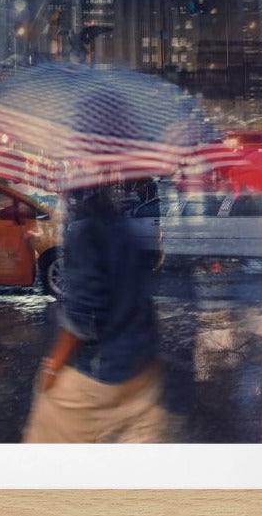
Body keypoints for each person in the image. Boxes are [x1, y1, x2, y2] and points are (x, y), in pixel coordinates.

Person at [23, 185, 164, 443]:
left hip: (103, 370)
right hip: (142, 366)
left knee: (47, 434)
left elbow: (83, 311)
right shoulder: (120, 223)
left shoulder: (84, 230)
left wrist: (52, 367)